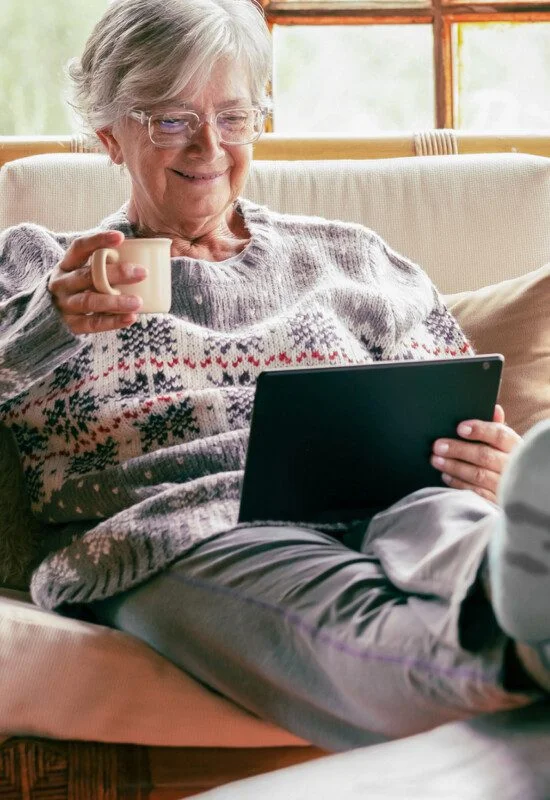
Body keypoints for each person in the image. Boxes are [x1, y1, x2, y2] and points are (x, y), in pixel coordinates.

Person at [0, 0, 548, 752]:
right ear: (109, 135)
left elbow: (455, 395)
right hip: (183, 528)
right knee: (333, 608)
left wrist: (494, 460)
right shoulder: (37, 266)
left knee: (453, 528)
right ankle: (514, 650)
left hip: (391, 495)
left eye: (233, 116)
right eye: (169, 119)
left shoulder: (354, 256)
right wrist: (45, 326)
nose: (208, 146)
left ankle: (517, 578)